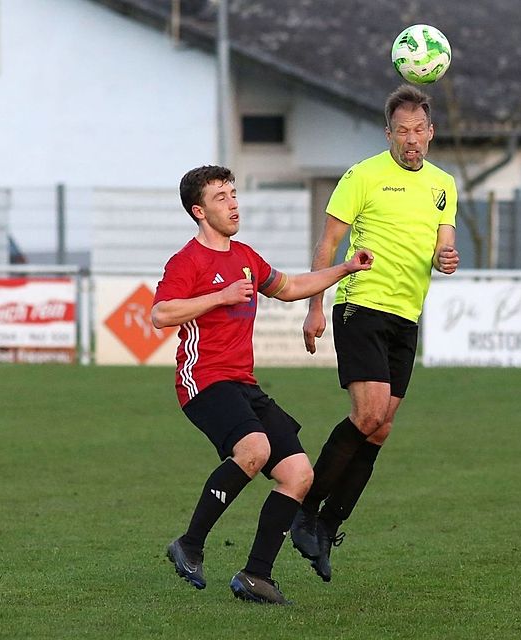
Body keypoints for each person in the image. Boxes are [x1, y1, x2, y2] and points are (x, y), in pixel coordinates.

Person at [153, 165, 373, 605]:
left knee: (299, 474)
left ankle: (256, 576)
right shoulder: (187, 261)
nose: (233, 203)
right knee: (253, 449)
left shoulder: (246, 257)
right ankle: (190, 545)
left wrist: (346, 268)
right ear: (198, 211)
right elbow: (161, 314)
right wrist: (220, 296)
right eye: (221, 197)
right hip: (202, 379)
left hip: (243, 383)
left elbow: (290, 287)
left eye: (234, 193)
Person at [290, 84, 460, 581]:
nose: (411, 139)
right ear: (389, 133)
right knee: (366, 414)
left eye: (419, 131)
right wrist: (314, 308)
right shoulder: (362, 176)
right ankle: (303, 510)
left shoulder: (444, 184)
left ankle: (326, 526)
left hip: (406, 317)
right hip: (360, 306)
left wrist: (445, 257)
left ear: (431, 133)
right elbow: (328, 244)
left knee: (381, 427)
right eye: (401, 131)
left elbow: (442, 246)